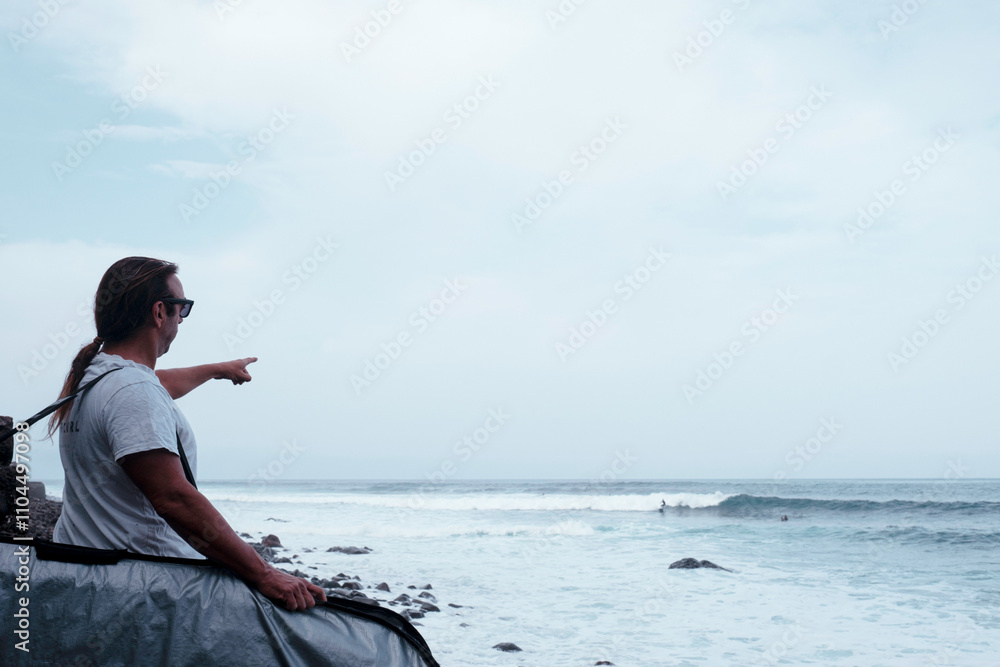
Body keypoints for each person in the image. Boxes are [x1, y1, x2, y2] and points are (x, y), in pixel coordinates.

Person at [49, 257, 326, 612]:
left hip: (86, 577)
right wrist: (264, 574)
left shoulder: (93, 378)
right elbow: (172, 498)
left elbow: (154, 386)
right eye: (182, 308)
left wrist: (214, 370)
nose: (182, 319)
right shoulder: (132, 389)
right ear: (159, 312)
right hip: (141, 591)